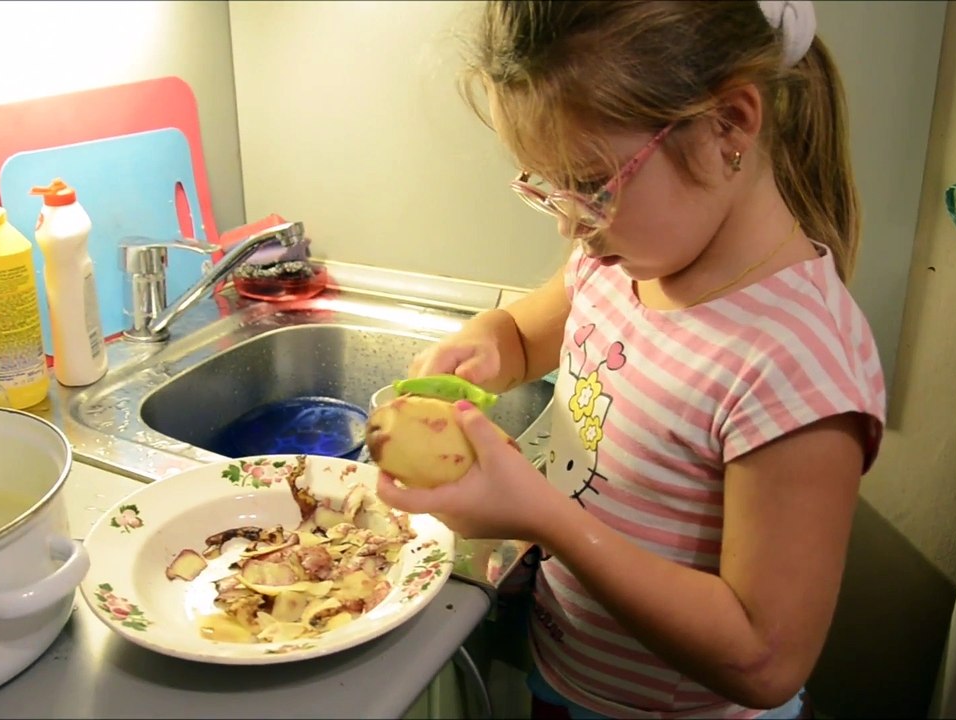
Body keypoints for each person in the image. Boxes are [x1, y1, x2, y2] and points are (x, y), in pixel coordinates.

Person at [374, 1, 887, 718]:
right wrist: (489, 341)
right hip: (570, 677)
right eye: (545, 184)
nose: (568, 225)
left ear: (728, 126)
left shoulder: (796, 362)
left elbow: (762, 658)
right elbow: (526, 336)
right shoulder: (624, 263)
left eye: (588, 184)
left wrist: (545, 517)